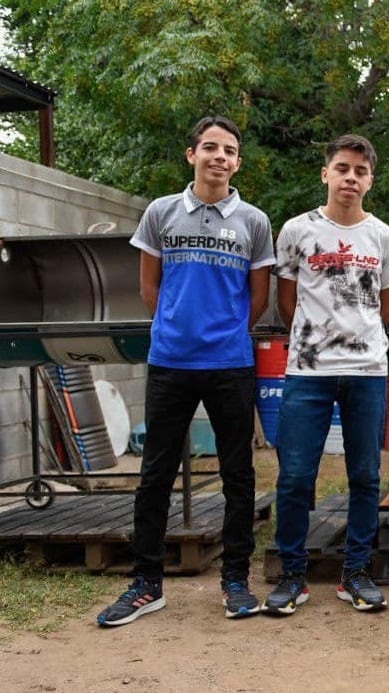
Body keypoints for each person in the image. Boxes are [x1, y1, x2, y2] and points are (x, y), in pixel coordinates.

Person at [97, 116, 275, 626]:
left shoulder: (254, 222)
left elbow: (257, 298)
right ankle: (145, 585)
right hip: (170, 361)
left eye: (230, 151)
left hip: (230, 364)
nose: (220, 157)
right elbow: (150, 289)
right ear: (192, 154)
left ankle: (236, 583)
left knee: (238, 476)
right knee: (154, 476)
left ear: (238, 163)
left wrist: (223, 333)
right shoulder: (161, 213)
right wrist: (178, 327)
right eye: (211, 148)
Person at [262, 134, 389, 616]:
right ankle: (292, 576)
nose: (350, 177)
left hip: (366, 370)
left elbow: (386, 308)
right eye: (342, 168)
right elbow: (287, 303)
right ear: (326, 174)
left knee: (365, 475)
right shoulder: (297, 231)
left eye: (360, 171)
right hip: (308, 370)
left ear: (370, 180)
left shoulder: (385, 237)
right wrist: (315, 339)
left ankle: (356, 573)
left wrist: (357, 339)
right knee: (296, 476)